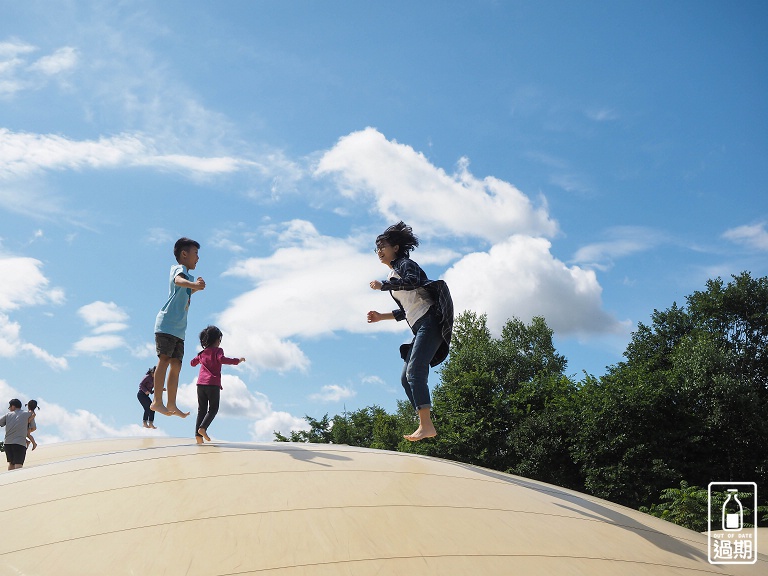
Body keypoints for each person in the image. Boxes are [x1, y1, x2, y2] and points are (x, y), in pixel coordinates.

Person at [367, 222, 453, 441]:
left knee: (415, 371)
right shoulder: (396, 275)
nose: (379, 251)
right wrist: (380, 316)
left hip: (430, 321)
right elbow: (406, 310)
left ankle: (427, 425)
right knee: (406, 378)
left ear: (395, 247)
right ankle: (424, 422)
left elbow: (414, 282)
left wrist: (384, 285)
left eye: (382, 246)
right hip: (420, 325)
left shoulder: (405, 264)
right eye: (376, 248)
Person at [151, 237, 206, 418]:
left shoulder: (188, 276)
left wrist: (196, 287)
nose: (198, 258)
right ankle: (157, 401)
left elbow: (186, 289)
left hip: (179, 329)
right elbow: (179, 281)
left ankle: (171, 403)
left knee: (176, 365)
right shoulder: (178, 269)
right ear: (184, 254)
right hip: (166, 324)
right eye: (195, 253)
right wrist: (193, 284)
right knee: (164, 360)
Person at [190, 325, 244, 444]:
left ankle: (198, 436)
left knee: (201, 410)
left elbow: (192, 363)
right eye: (220, 339)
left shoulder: (202, 353)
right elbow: (222, 359)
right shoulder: (218, 351)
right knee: (213, 409)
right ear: (217, 339)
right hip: (212, 384)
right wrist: (237, 361)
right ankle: (203, 428)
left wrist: (200, 358)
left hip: (200, 385)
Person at [1, 399, 35, 470]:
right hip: (19, 443)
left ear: (13, 406)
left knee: (11, 463)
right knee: (18, 464)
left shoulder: (7, 415)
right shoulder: (28, 414)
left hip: (7, 443)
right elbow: (33, 427)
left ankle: (10, 480)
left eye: (9, 407)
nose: (9, 409)